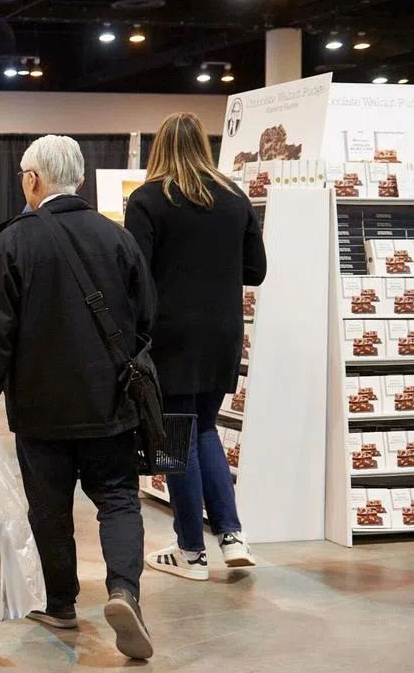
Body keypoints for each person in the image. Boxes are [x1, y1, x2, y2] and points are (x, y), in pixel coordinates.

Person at [0, 135, 157, 661]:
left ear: (33, 179)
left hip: (42, 408)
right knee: (117, 498)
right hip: (110, 403)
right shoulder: (117, 238)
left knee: (49, 508)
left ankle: (62, 603)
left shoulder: (13, 244)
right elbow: (146, 318)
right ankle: (123, 592)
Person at [125, 112, 267, 579]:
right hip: (223, 332)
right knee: (203, 428)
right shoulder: (234, 197)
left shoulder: (148, 199)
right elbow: (255, 271)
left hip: (169, 335)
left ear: (159, 148)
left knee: (173, 439)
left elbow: (135, 275)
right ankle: (231, 535)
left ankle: (191, 551)